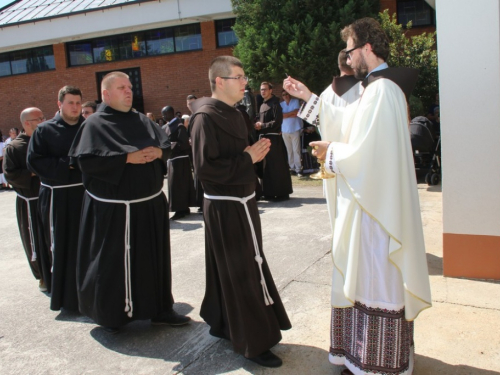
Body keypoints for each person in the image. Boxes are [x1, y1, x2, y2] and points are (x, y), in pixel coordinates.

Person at [284, 17, 432, 375]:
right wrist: (309, 98)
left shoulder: (381, 90)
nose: (348, 60)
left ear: (366, 47)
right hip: (371, 202)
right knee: (367, 277)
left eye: (350, 50)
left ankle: (375, 363)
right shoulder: (376, 89)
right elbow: (349, 122)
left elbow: (370, 151)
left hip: (375, 210)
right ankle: (365, 356)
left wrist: (331, 152)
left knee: (374, 277)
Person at [68, 71, 190, 332]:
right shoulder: (94, 124)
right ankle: (113, 314)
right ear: (106, 94)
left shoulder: (141, 120)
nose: (128, 91)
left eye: (129, 87)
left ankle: (160, 309)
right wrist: (125, 159)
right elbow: (85, 162)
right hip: (114, 211)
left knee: (154, 260)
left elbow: (166, 145)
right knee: (113, 263)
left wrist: (159, 152)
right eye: (121, 87)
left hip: (149, 204)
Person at [190, 56, 291, 368]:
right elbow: (205, 169)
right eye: (239, 77)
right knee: (242, 270)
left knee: (234, 268)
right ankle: (254, 341)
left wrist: (251, 159)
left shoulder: (233, 114)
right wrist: (248, 159)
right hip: (225, 207)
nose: (246, 82)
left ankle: (222, 322)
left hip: (242, 202)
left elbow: (239, 157)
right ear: (220, 82)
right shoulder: (205, 117)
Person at [27, 85, 86, 312]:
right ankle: (68, 300)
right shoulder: (45, 130)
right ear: (59, 104)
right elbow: (35, 162)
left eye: (78, 103)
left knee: (88, 244)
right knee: (64, 246)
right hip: (58, 197)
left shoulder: (89, 127)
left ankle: (91, 294)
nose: (75, 107)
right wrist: (69, 163)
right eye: (70, 102)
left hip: (87, 195)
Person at [3, 108, 48, 291]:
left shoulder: (46, 142)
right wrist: (33, 171)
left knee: (51, 237)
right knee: (34, 240)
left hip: (49, 198)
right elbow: (10, 174)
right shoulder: (14, 147)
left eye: (43, 117)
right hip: (29, 200)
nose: (43, 121)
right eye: (39, 119)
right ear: (27, 123)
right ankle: (42, 276)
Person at [255, 82, 292, 200]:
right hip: (264, 138)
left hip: (274, 140)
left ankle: (281, 192)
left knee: (277, 166)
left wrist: (263, 125)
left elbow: (277, 122)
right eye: (261, 90)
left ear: (271, 90)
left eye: (265, 89)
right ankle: (269, 192)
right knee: (267, 167)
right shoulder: (262, 105)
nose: (262, 92)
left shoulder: (275, 104)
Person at [162, 105, 195, 220]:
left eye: (165, 114)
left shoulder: (179, 126)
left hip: (180, 161)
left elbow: (184, 144)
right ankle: (183, 208)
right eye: (163, 114)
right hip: (172, 160)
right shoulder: (166, 127)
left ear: (172, 113)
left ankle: (180, 210)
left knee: (178, 186)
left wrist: (170, 146)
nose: (163, 116)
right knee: (175, 186)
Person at [280, 90, 303, 176]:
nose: (285, 96)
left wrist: (286, 115)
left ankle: (298, 169)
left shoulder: (295, 101)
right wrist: (291, 113)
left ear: (290, 95)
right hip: (285, 130)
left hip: (295, 129)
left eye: (286, 94)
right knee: (289, 150)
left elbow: (297, 113)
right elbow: (281, 116)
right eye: (283, 94)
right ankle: (292, 168)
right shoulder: (281, 104)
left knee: (296, 149)